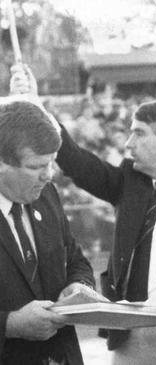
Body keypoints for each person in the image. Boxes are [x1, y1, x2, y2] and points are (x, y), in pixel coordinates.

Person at [10, 65, 156, 364]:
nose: (128, 143)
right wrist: (33, 103)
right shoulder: (128, 184)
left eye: (139, 134)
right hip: (129, 339)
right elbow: (77, 161)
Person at [0, 98, 95, 364]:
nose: (48, 175)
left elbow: (75, 259)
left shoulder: (47, 195)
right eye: (36, 166)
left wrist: (79, 286)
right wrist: (11, 324)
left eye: (51, 162)